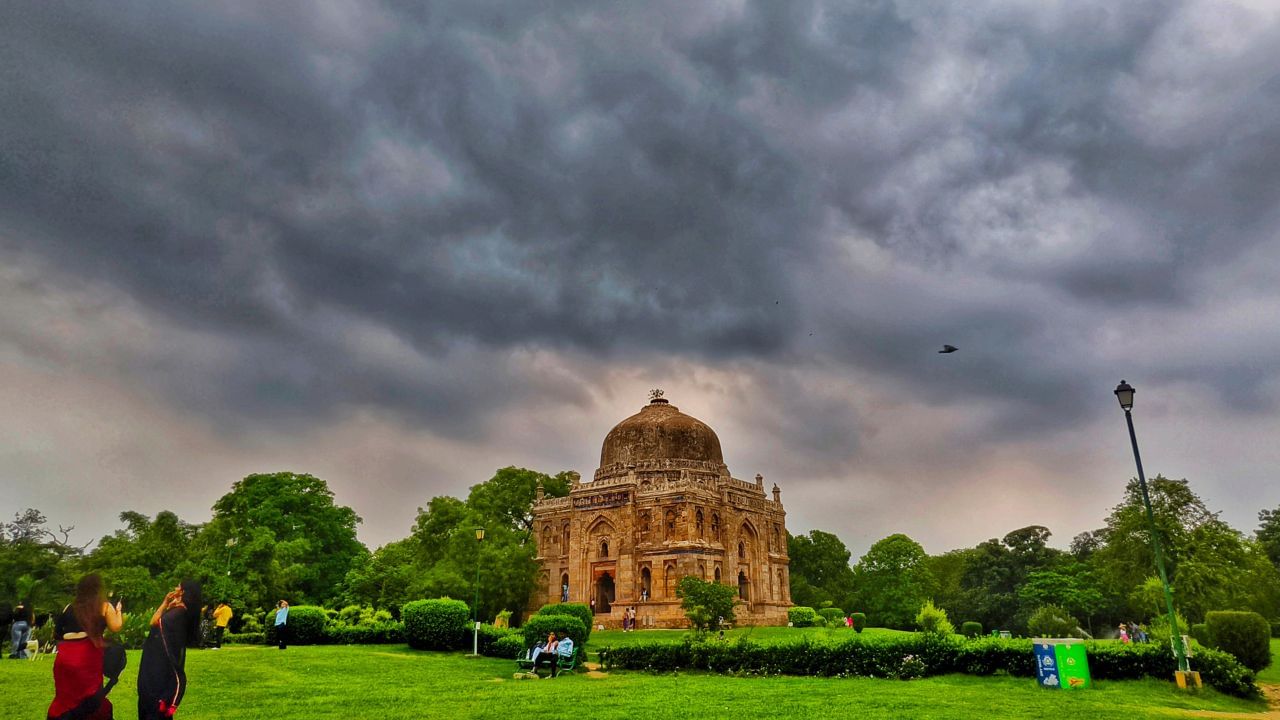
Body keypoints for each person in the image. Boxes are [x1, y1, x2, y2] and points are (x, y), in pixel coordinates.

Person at [47, 573, 124, 720]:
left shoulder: (69, 607)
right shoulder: (104, 606)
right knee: (89, 697)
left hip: (65, 657)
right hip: (87, 654)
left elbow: (57, 633)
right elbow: (116, 626)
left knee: (65, 698)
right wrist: (118, 611)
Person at [137, 579, 202, 720]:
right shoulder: (183, 612)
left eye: (178, 586)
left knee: (151, 704)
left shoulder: (175, 615)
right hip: (165, 666)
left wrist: (165, 603)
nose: (175, 588)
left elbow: (153, 622)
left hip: (157, 665)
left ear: (182, 592)